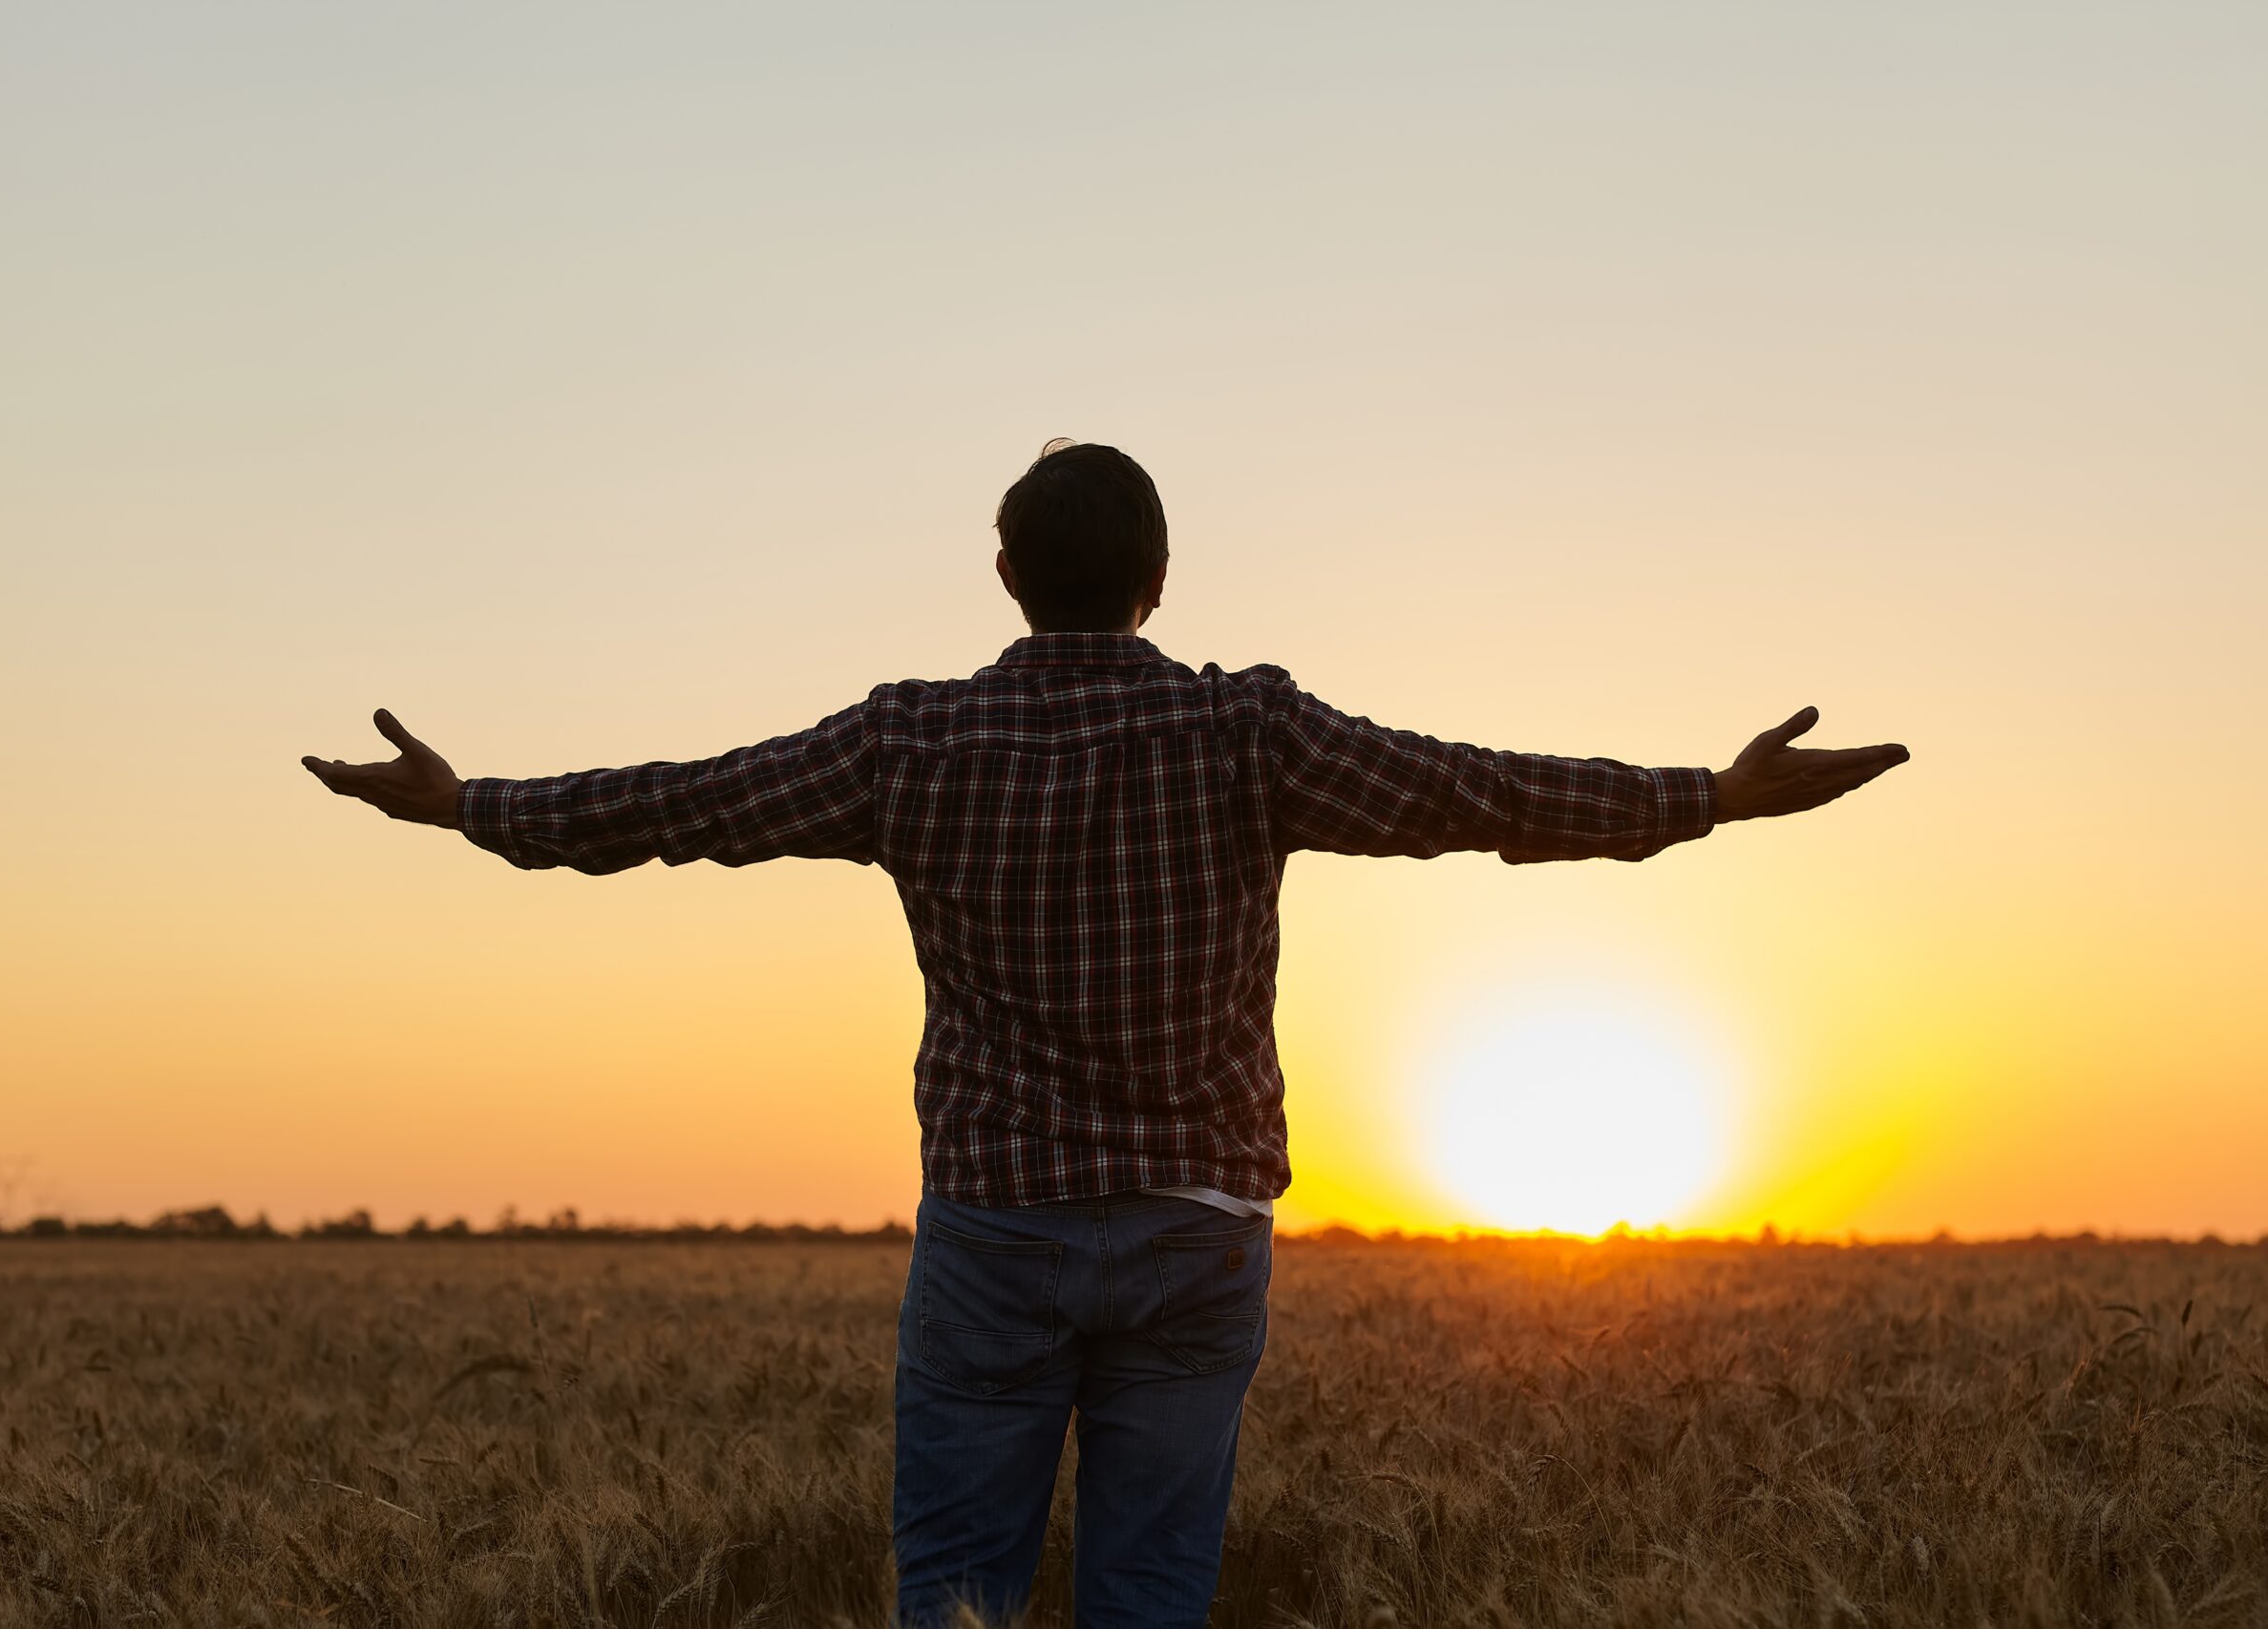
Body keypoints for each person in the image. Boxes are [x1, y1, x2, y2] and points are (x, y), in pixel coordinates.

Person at [303, 439, 1908, 1628]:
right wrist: (1706, 797)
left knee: (954, 1599)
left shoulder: (910, 740)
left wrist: (472, 808)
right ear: (1158, 581)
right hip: (1199, 1232)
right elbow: (1471, 793)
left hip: (996, 1225)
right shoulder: (1242, 728)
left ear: (1006, 574)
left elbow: (683, 806)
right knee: (1148, 1598)